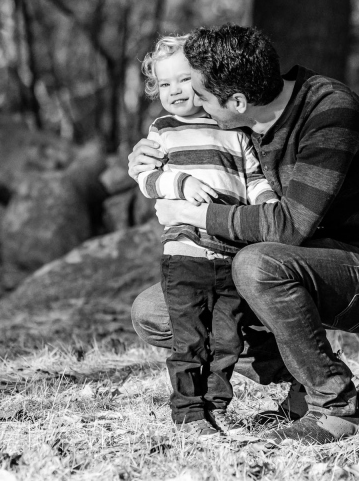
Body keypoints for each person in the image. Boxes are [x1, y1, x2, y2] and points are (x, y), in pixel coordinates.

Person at [128, 24, 359, 445]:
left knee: (257, 265)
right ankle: (311, 375)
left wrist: (199, 214)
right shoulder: (241, 116)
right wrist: (149, 159)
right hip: (293, 258)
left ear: (238, 101)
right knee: (155, 311)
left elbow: (288, 226)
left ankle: (338, 406)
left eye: (201, 96)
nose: (195, 104)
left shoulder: (330, 111)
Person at [138, 34, 279, 437]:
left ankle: (213, 404)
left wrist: (267, 201)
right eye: (165, 85)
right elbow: (148, 178)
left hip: (232, 253)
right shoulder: (162, 129)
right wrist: (178, 183)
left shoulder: (231, 128)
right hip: (185, 252)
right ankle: (187, 411)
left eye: (183, 80)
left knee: (227, 340)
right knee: (190, 339)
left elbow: (252, 177)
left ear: (204, 80)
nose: (175, 91)